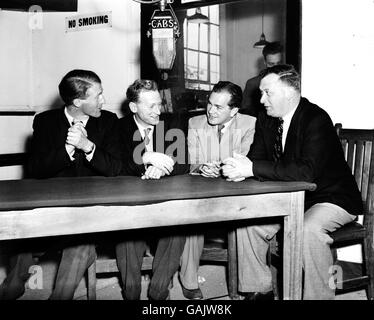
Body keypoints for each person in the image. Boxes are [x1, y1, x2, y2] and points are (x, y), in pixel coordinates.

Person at [222, 64, 362, 300]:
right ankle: (259, 291)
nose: (262, 100)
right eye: (261, 93)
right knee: (247, 223)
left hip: (332, 198)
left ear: (289, 92)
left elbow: (306, 172)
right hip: (293, 199)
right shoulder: (267, 119)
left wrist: (252, 168)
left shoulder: (316, 118)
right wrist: (242, 170)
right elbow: (257, 159)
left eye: (268, 93)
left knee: (308, 230)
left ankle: (319, 297)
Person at [0, 69, 122, 300]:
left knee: (81, 247)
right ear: (77, 101)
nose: (103, 101)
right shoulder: (45, 122)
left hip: (90, 212)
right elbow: (35, 169)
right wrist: (66, 150)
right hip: (51, 209)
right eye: (98, 96)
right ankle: (11, 288)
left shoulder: (108, 121)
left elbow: (115, 168)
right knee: (22, 237)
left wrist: (87, 146)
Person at [179, 81, 256, 299]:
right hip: (204, 192)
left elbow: (246, 158)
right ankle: (189, 281)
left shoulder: (251, 124)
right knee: (191, 218)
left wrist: (222, 167)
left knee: (251, 223)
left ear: (234, 110)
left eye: (218, 107)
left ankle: (251, 283)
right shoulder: (195, 123)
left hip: (238, 193)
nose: (210, 111)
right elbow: (192, 161)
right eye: (209, 104)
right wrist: (202, 167)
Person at [116, 79, 188, 300]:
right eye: (151, 106)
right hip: (131, 202)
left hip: (164, 201)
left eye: (160, 104)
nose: (158, 111)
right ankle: (131, 292)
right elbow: (115, 166)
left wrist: (162, 169)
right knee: (127, 235)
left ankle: (158, 292)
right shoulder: (118, 128)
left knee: (178, 230)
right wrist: (145, 160)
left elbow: (183, 163)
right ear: (133, 107)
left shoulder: (171, 123)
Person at [241, 41, 283, 117]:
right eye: (271, 64)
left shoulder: (291, 82)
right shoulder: (253, 84)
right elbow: (245, 112)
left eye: (279, 63)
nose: (276, 68)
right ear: (265, 62)